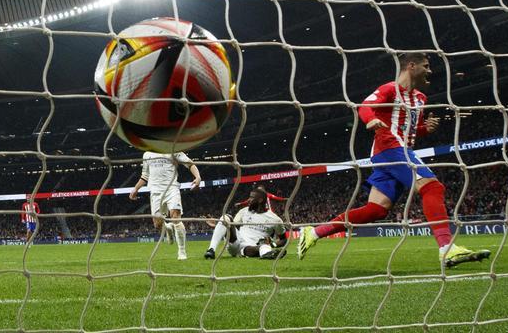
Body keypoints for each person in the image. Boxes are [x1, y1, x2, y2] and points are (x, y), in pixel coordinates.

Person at [298, 53, 491, 268]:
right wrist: (370, 120)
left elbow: (407, 130)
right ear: (411, 66)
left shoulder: (420, 99)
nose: (430, 71)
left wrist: (424, 129)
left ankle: (314, 232)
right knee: (433, 188)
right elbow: (365, 106)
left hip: (397, 151)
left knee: (377, 209)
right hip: (389, 148)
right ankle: (447, 249)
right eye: (426, 66)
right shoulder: (390, 89)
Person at [130, 151, 201, 260]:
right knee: (157, 224)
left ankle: (182, 252)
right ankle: (168, 227)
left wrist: (197, 177)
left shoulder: (173, 149)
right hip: (155, 191)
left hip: (171, 189)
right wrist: (136, 188)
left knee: (176, 217)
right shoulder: (147, 154)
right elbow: (145, 175)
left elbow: (190, 163)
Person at [204, 187, 287, 260]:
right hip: (235, 242)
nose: (249, 200)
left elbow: (283, 239)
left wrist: (273, 244)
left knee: (263, 246)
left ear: (260, 200)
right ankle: (211, 250)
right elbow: (232, 225)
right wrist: (218, 224)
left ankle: (268, 254)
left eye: (252, 197)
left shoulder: (275, 219)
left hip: (251, 248)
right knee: (226, 217)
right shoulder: (244, 211)